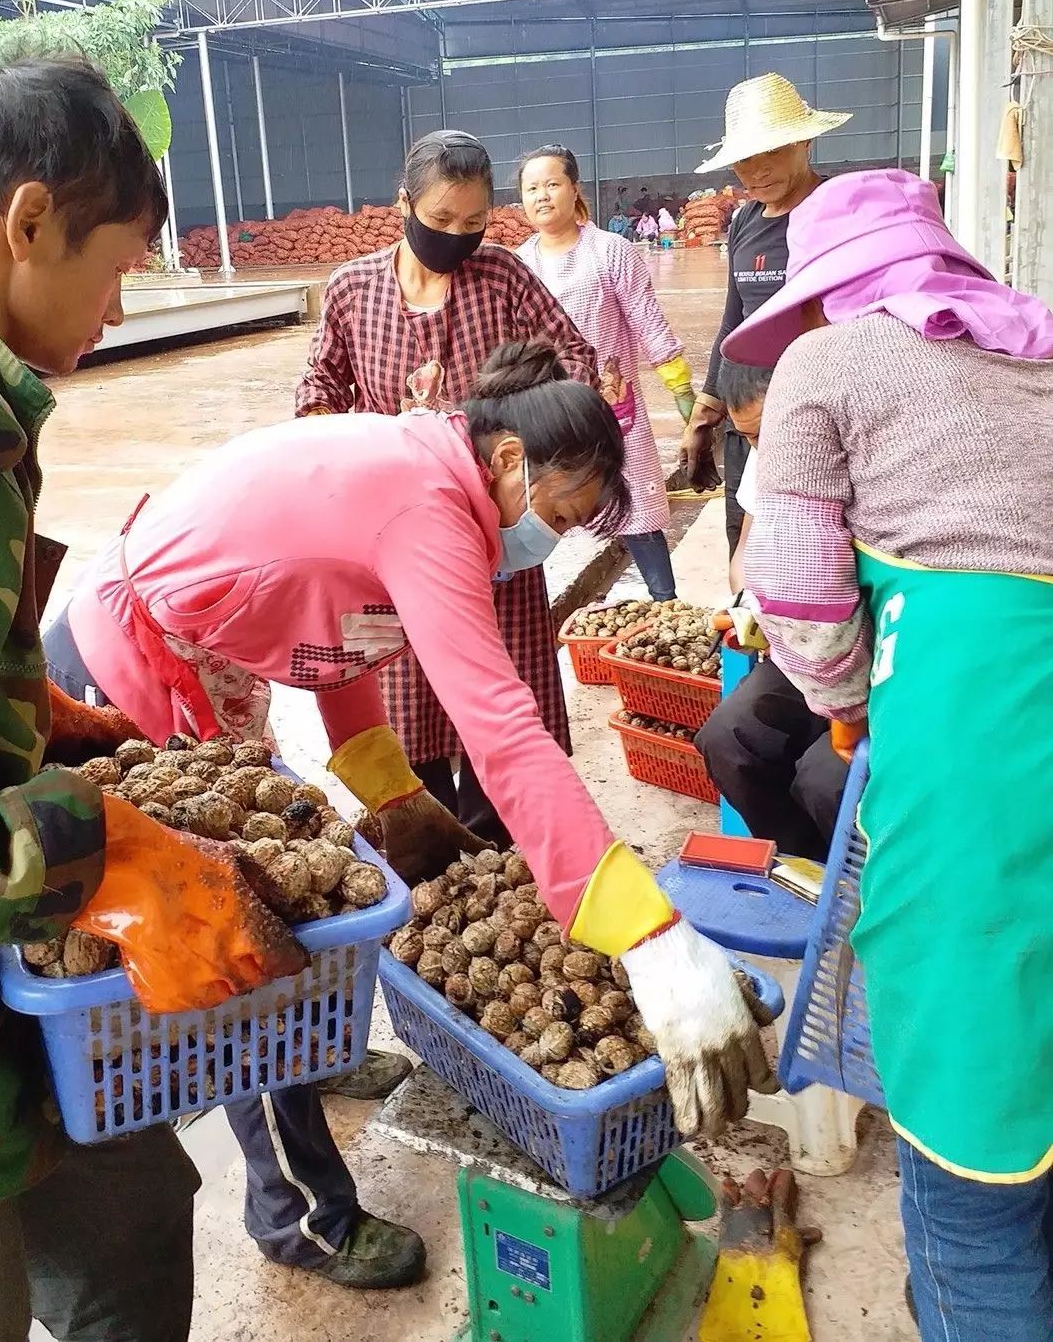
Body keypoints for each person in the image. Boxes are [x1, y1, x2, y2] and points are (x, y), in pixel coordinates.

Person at [49, 339, 776, 1164]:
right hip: (123, 674)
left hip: (207, 657)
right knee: (216, 947)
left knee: (261, 904)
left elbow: (335, 638)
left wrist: (392, 794)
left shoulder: (432, 468)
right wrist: (644, 932)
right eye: (561, 517)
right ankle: (291, 1202)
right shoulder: (428, 510)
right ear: (509, 459)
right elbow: (499, 726)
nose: (553, 540)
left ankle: (301, 1060)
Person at [0, 58, 260, 1342]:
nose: (121, 306)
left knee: (133, 1221)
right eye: (120, 266)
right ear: (27, 223)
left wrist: (34, 716)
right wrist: (97, 842)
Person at [725, 168, 1053, 1342]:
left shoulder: (829, 361)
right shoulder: (1035, 343)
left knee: (971, 1173)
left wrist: (846, 703)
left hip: (983, 735)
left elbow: (800, 586)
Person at [295, 129, 596, 847]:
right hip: (386, 541)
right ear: (403, 205)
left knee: (498, 692)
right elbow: (315, 390)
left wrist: (521, 424)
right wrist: (356, 440)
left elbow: (578, 359)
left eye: (473, 224)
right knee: (401, 698)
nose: (457, 239)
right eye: (438, 223)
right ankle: (429, 847)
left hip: (491, 532)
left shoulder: (502, 278)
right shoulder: (351, 288)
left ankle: (500, 850)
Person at [515, 143, 696, 600]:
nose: (542, 196)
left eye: (552, 184)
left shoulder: (610, 251)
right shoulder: (518, 264)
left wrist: (682, 392)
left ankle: (664, 603)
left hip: (614, 410)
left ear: (574, 188)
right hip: (549, 416)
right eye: (531, 188)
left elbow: (647, 320)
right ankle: (537, 614)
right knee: (542, 511)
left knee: (636, 508)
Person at [678, 72, 850, 551]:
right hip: (748, 417)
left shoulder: (837, 211)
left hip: (822, 415)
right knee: (748, 538)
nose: (755, 171)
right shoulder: (745, 221)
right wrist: (705, 413)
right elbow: (733, 320)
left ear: (806, 140)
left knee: (818, 540)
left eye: (770, 152)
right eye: (743, 160)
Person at [692, 359, 845, 861]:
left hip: (872, 655)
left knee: (824, 779)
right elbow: (747, 553)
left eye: (766, 434)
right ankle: (810, 871)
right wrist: (750, 608)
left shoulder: (842, 448)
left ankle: (871, 893)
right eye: (749, 438)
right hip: (801, 648)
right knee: (727, 739)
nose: (762, 451)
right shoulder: (767, 454)